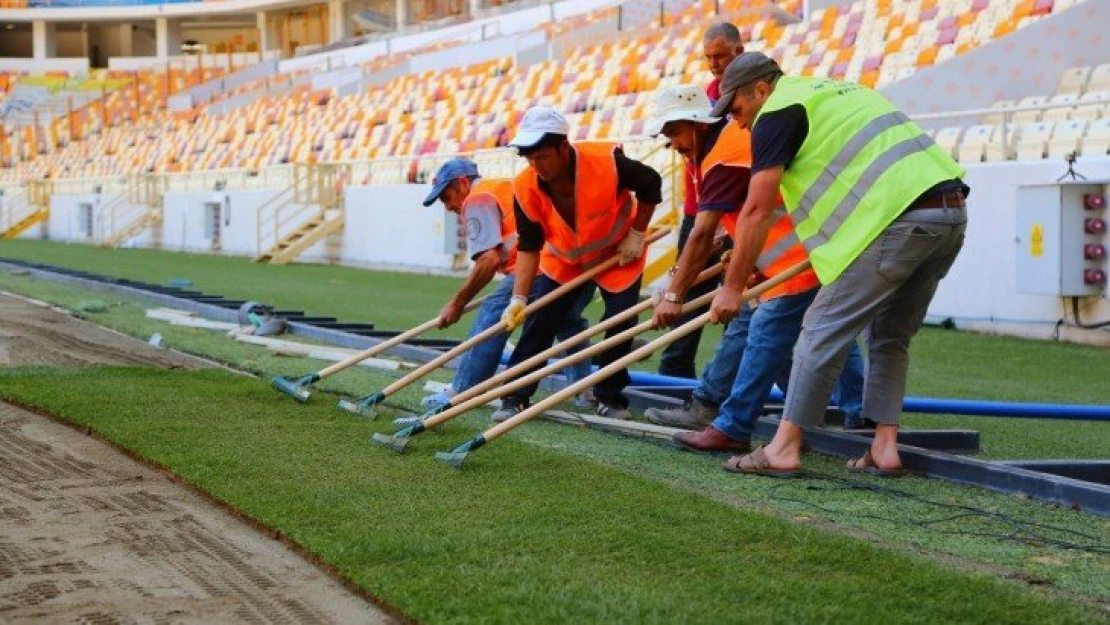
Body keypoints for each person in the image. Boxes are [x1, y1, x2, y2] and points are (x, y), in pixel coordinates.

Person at [707, 52, 967, 476]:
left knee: (820, 328)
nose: (738, 122)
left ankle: (784, 448)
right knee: (888, 336)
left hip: (899, 220)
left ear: (760, 89)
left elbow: (756, 209)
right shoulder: (830, 92)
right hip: (949, 214)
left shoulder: (777, 110)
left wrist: (733, 286)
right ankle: (884, 448)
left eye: (737, 109)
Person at [643, 84, 865, 453]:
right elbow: (738, 214)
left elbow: (701, 233)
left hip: (794, 259)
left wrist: (673, 296)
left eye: (673, 131)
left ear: (696, 124)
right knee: (804, 333)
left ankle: (734, 423)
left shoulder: (724, 153)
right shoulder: (713, 149)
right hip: (787, 257)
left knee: (768, 332)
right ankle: (847, 413)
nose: (670, 143)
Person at [491, 106, 662, 422]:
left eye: (542, 157)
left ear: (563, 148)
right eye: (529, 158)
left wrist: (637, 233)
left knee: (620, 322)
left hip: (618, 254)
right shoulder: (525, 186)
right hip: (565, 259)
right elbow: (529, 246)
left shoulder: (607, 163)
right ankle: (514, 396)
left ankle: (608, 397)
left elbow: (651, 184)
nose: (536, 165)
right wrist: (518, 298)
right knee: (540, 320)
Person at [420, 158, 595, 409]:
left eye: (446, 197)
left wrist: (457, 303)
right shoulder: (502, 186)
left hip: (541, 265)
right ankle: (584, 390)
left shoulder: (477, 199)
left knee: (493, 311)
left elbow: (488, 261)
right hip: (575, 259)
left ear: (461, 184)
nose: (448, 207)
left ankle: (464, 389)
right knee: (567, 320)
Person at [657, 22, 745, 380]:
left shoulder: (751, 95)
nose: (714, 63)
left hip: (734, 210)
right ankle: (674, 372)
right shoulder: (708, 92)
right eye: (708, 56)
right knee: (688, 285)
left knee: (735, 298)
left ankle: (730, 381)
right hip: (701, 209)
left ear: (738, 52)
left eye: (720, 56)